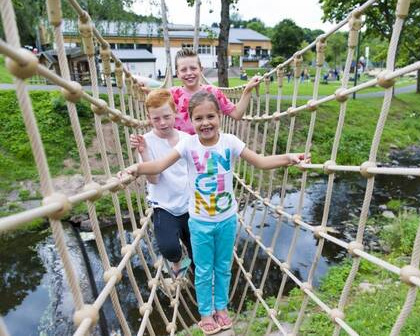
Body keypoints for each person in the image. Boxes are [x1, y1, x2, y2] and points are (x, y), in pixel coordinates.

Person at [120, 91, 311, 334]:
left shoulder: (230, 142)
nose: (205, 122)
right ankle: (205, 313)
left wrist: (290, 158)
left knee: (223, 267)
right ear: (190, 120)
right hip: (199, 222)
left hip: (226, 220)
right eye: (198, 118)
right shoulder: (187, 144)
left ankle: (221, 308)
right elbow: (158, 166)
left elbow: (261, 162)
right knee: (203, 269)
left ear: (220, 116)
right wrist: (135, 167)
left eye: (211, 116)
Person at [130, 89, 192, 279]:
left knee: (198, 252)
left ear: (175, 113)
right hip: (163, 206)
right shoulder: (146, 141)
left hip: (190, 204)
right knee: (169, 248)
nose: (162, 122)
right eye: (156, 119)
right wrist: (144, 152)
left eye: (166, 116)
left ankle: (202, 290)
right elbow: (153, 179)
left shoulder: (187, 140)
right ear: (149, 118)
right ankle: (177, 261)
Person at [170, 48, 259, 135]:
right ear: (177, 73)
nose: (189, 73)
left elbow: (237, 114)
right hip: (180, 148)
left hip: (207, 146)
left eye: (193, 68)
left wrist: (248, 90)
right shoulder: (171, 95)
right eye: (183, 70)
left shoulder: (212, 92)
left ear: (201, 70)